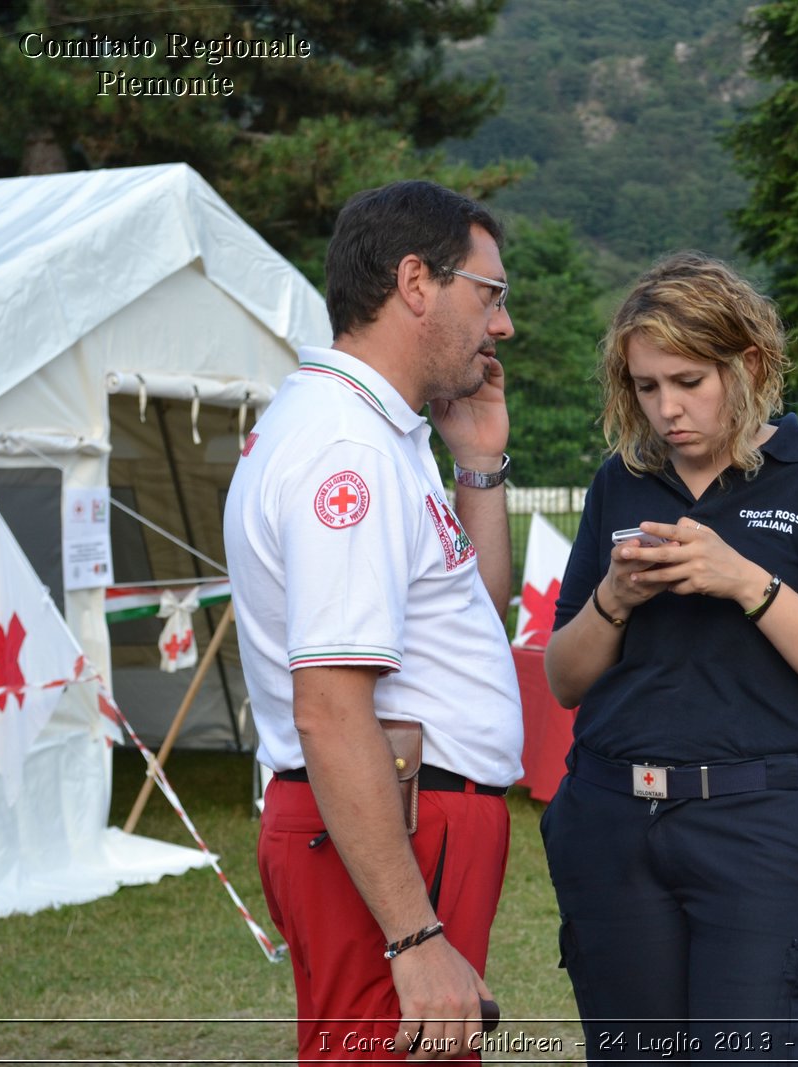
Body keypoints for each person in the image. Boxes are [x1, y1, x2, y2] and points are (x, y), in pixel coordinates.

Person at [540, 252, 798, 1059]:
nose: (666, 409)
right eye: (645, 386)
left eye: (687, 381)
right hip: (614, 826)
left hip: (769, 827)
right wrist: (615, 599)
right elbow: (563, 677)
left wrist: (749, 583)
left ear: (747, 365)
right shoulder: (620, 482)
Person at [223, 180, 523, 1063]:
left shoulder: (375, 430)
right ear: (416, 283)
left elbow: (473, 617)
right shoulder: (348, 447)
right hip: (390, 819)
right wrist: (413, 936)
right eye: (490, 293)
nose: (500, 324)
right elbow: (329, 705)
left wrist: (479, 467)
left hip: (406, 814)